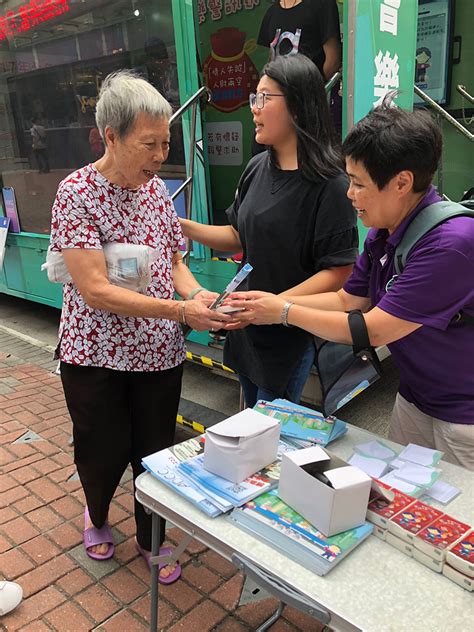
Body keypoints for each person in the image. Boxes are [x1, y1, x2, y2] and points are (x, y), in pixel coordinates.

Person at [49, 70, 230, 582]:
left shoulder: (156, 193)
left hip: (157, 355)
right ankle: (98, 514)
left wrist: (198, 295)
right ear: (111, 136)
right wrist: (181, 311)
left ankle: (152, 536)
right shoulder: (75, 194)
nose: (159, 156)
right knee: (101, 450)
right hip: (95, 355)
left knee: (156, 450)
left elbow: (173, 262)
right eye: (148, 144)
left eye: (165, 143)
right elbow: (95, 290)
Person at [227, 102, 474, 470]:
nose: (349, 193)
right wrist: (271, 302)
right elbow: (347, 298)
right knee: (403, 501)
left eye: (358, 183)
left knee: (458, 520)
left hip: (462, 413)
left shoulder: (451, 244)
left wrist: (282, 312)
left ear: (402, 182)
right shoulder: (383, 236)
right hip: (415, 396)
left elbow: (372, 329)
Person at [180, 54, 358, 408]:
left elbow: (339, 271)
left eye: (264, 98)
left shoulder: (332, 185)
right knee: (249, 418)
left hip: (289, 334)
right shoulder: (257, 167)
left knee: (270, 430)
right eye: (253, 99)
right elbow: (236, 235)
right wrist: (180, 226)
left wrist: (278, 306)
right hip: (247, 325)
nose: (254, 109)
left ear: (297, 104)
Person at [258, 0, 341, 80]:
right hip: (279, 90)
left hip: (309, 88)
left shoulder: (323, 4)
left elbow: (333, 61)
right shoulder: (272, 12)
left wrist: (314, 90)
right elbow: (271, 59)